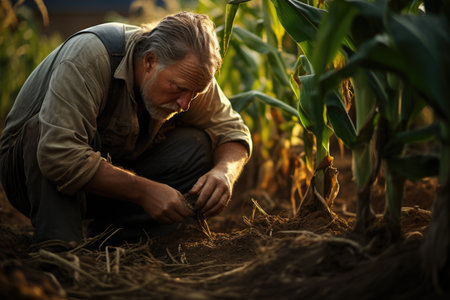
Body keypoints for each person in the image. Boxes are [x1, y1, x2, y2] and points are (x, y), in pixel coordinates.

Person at [0, 12, 252, 244]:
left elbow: (232, 130)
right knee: (46, 132)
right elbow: (59, 154)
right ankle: (60, 245)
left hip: (106, 182)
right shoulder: (91, 57)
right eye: (178, 89)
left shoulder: (190, 75)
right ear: (150, 61)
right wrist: (146, 191)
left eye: (195, 94)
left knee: (196, 145)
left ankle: (120, 240)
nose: (185, 104)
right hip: (29, 173)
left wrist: (224, 173)